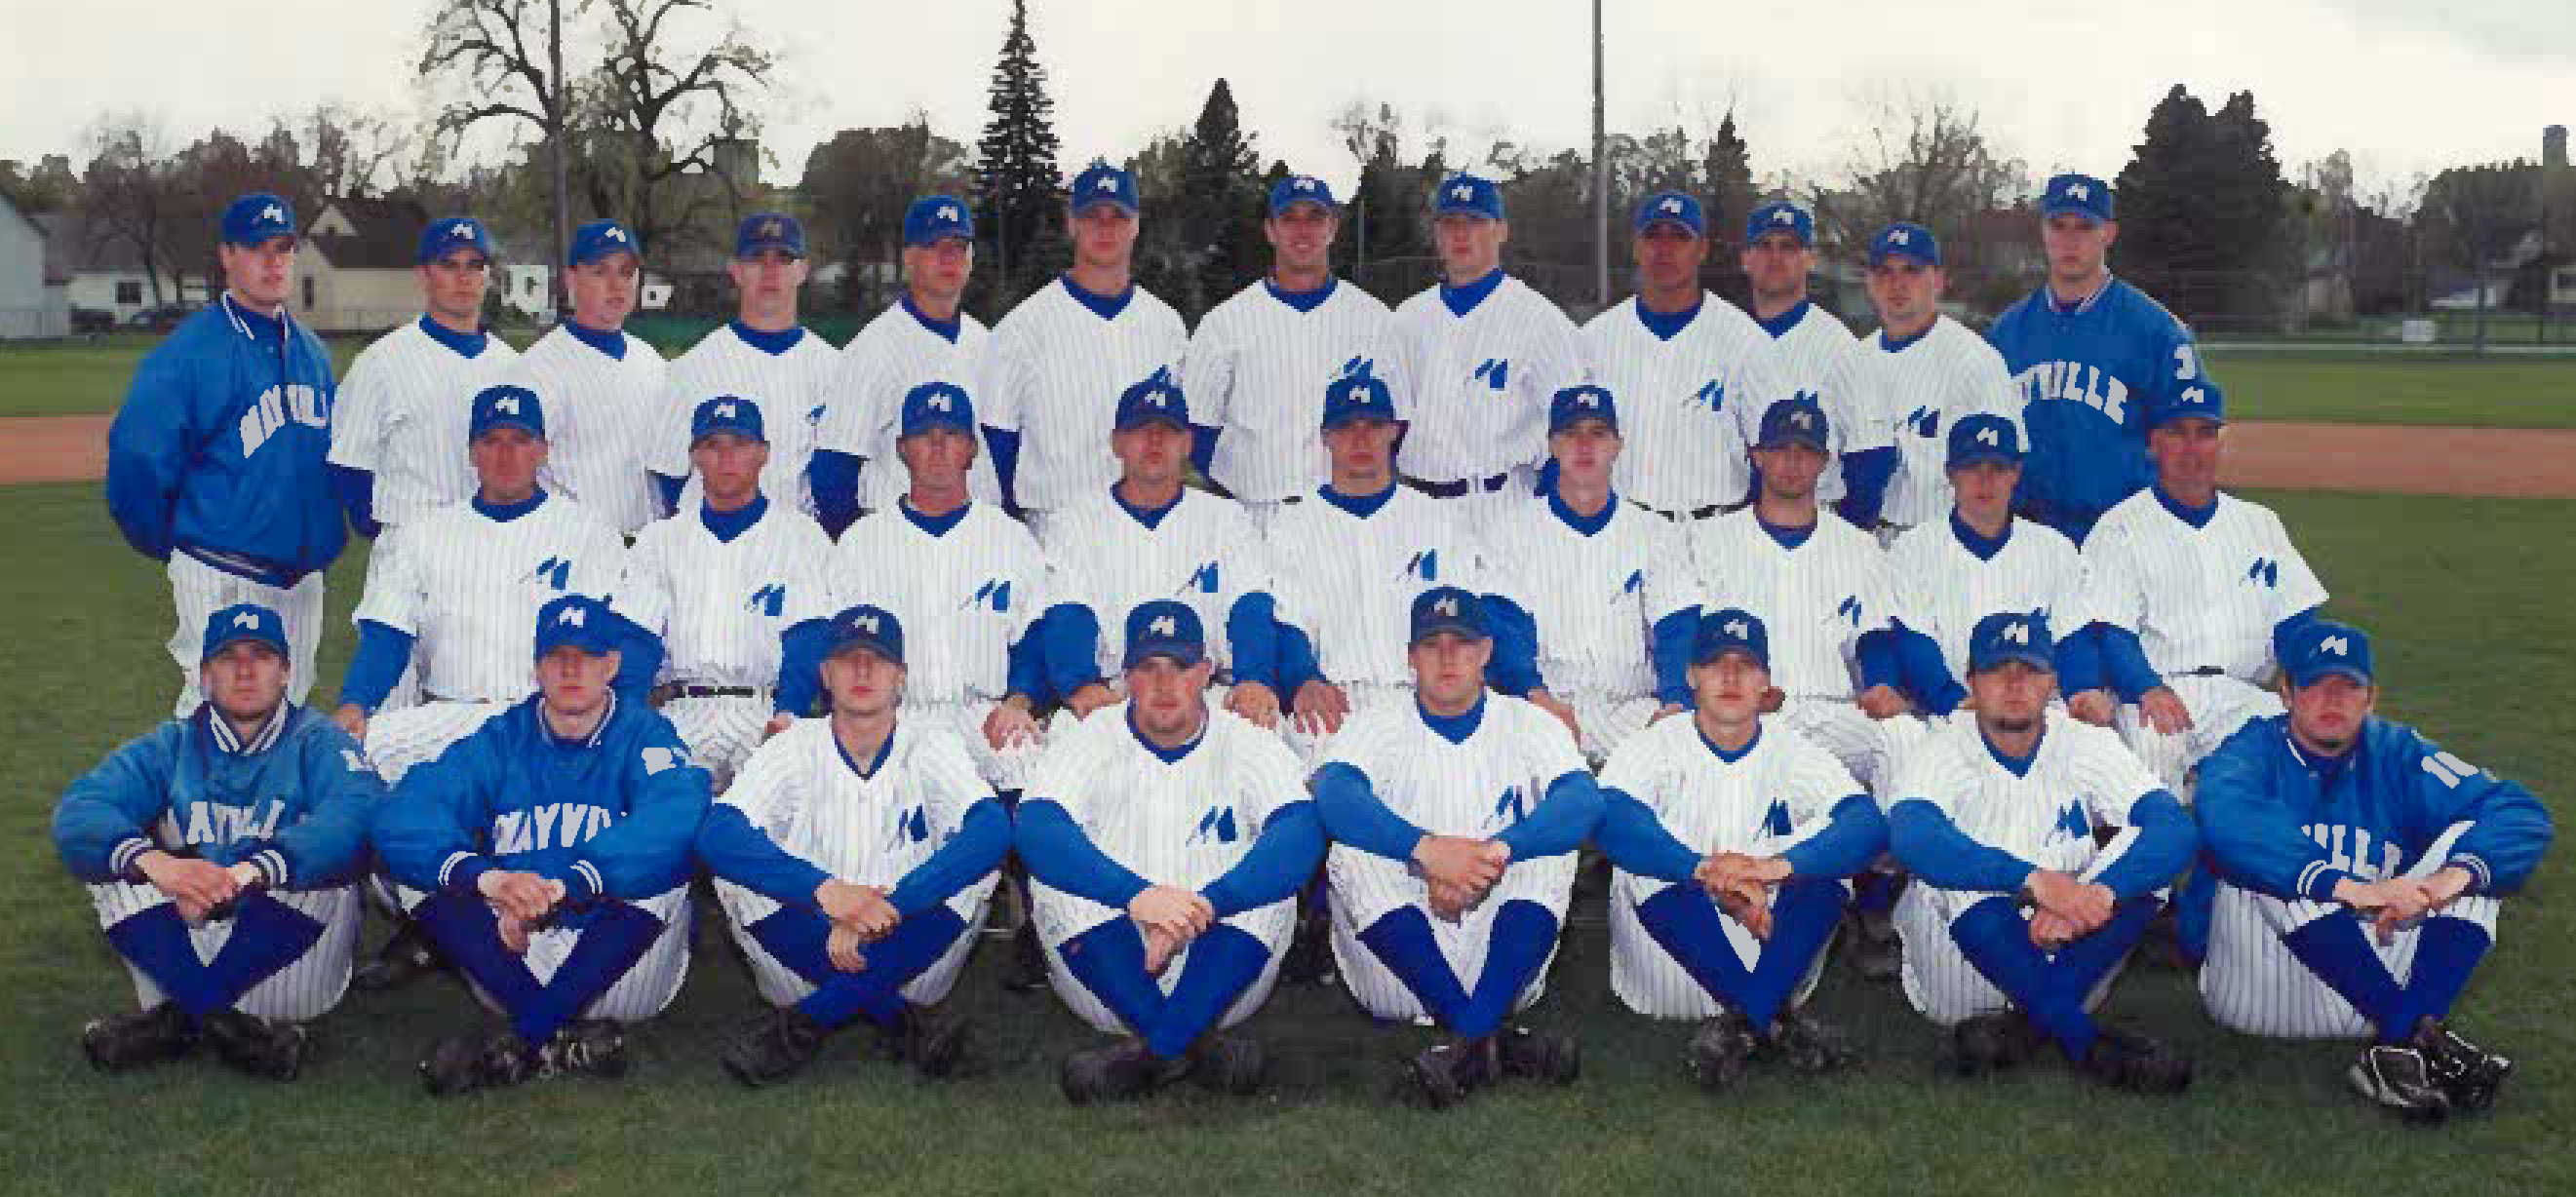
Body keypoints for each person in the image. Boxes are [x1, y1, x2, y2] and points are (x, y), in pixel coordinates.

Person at [331, 385, 631, 991]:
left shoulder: (588, 531)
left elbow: (613, 640)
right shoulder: (425, 532)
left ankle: (523, 917)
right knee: (348, 763)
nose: (506, 454)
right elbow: (388, 633)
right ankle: (421, 919)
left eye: (520, 441)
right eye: (492, 441)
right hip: (450, 711)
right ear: (471, 451)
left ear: (543, 449)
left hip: (544, 717)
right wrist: (355, 706)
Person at [2196, 621, 2553, 1119]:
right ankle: (2423, 1036)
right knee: (2281, 863)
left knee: (2472, 857)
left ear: (2372, 698)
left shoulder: (2398, 752)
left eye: (2348, 688)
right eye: (2315, 686)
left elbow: (2519, 811)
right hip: (2259, 990)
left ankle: (2399, 1043)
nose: (2332, 701)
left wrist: (2440, 884)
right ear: (2286, 693)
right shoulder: (2248, 751)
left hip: (2367, 987)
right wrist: (2346, 887)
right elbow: (2226, 819)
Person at [372, 594, 712, 1096]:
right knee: (418, 870)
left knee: (668, 863)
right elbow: (403, 814)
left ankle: (526, 1035)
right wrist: (490, 879)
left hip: (621, 965)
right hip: (514, 954)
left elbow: (678, 814)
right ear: (536, 668)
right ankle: (561, 1037)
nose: (571, 670)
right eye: (557, 657)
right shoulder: (501, 737)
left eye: (587, 657)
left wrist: (564, 886)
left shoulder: (646, 735)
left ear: (612, 665)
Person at [52, 604, 379, 1080]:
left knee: (319, 866)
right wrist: (158, 864)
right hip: (183, 947)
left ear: (286, 672)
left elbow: (359, 812)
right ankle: (228, 1027)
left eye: (262, 656)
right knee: (115, 862)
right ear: (206, 675)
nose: (245, 671)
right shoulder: (172, 744)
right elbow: (80, 810)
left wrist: (246, 872)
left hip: (286, 967)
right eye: (229, 658)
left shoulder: (319, 740)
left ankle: (178, 1020)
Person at [1016, 600, 1323, 1101]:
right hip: (1105, 977)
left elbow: (1300, 834)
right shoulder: (1092, 733)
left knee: (1271, 894)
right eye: (1148, 668)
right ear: (1126, 678)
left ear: (1205, 673)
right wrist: (1136, 896)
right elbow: (1036, 827)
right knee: (1055, 881)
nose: (1165, 684)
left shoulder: (1244, 738)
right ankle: (1197, 1045)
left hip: (1223, 971)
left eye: (1180, 667)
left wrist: (1206, 906)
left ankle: (1154, 1052)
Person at [1314, 586, 1606, 1108]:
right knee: (1349, 851)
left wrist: (1493, 855)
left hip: (1506, 959)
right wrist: (1426, 851)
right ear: (1411, 657)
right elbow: (1334, 795)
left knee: (1551, 849)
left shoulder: (1531, 722)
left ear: (1487, 651)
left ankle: (1467, 1042)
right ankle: (1491, 1037)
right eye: (1432, 644)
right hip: (1397, 969)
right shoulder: (1374, 723)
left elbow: (1582, 803)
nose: (1447, 657)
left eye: (1462, 643)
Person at [1885, 612, 2197, 1095]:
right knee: (1958, 877)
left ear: (2052, 682)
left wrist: (2093, 896)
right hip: (1960, 962)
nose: (2014, 684)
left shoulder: (2084, 743)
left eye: (2028, 671)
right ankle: (2086, 1042)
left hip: (2072, 943)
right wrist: (2036, 882)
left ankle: (2028, 1028)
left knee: (2144, 870)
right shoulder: (1941, 748)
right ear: (1971, 683)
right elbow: (1913, 838)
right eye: (1997, 671)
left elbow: (2172, 828)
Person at [697, 604, 1009, 1086]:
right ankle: (899, 1021)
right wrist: (827, 893)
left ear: (900, 678)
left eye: (878, 660)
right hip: (800, 956)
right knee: (736, 872)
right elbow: (718, 834)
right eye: (848, 659)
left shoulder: (932, 742)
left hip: (914, 956)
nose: (862, 671)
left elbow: (991, 830)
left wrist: (891, 908)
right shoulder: (792, 744)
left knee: (978, 867)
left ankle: (806, 1024)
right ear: (826, 674)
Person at [1595, 609, 1885, 1088]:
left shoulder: (1793, 748)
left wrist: (1772, 869)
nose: (1730, 677)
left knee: (1827, 860)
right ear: (1691, 675)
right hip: (1670, 967)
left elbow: (1866, 824)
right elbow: (1609, 819)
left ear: (1765, 682)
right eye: (1715, 663)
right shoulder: (1653, 744)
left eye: (1745, 665)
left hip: (1773, 947)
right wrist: (1706, 871)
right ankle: (1776, 1020)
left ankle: (1743, 1024)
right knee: (1642, 862)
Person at [107, 192, 343, 716]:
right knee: (212, 722)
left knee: (290, 722)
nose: (273, 261)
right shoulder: (189, 353)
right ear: (227, 256)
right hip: (221, 571)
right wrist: (175, 543)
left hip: (301, 581)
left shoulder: (312, 353)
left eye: (283, 248)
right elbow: (137, 459)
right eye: (258, 248)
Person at [820, 382, 1061, 792]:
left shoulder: (1012, 539)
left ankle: (1005, 856)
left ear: (972, 449)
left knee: (1033, 768)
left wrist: (1020, 700)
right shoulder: (861, 542)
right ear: (901, 449)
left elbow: (1035, 636)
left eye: (951, 435)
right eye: (924, 436)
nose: (937, 447)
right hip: (895, 714)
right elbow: (835, 647)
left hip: (986, 711)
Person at [1268, 372, 1503, 766]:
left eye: (1373, 426)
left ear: (1394, 432)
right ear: (1325, 437)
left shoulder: (1437, 518)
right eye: (1346, 427)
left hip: (1423, 694)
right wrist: (1302, 678)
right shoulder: (1291, 524)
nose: (1361, 440)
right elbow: (1287, 622)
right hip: (1333, 699)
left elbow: (1473, 616)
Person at [1034, 374, 1284, 729]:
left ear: (1187, 443)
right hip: (1113, 695)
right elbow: (1067, 612)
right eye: (1140, 430)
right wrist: (1081, 684)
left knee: (1264, 755)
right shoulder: (1075, 522)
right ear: (1117, 443)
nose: (1154, 441)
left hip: (1208, 693)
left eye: (1167, 430)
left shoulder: (1225, 518)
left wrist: (1255, 678)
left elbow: (1250, 605)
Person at [616, 397, 834, 791]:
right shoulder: (659, 540)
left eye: (740, 445)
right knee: (660, 803)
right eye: (714, 446)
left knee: (767, 817)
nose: (727, 458)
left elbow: (808, 636)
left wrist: (791, 713)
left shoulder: (801, 536)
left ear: (763, 454)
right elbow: (637, 641)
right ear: (694, 457)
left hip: (763, 710)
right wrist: (631, 718)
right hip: (679, 711)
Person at [1986, 174, 2216, 544]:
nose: (2069, 241)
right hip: (2027, 539)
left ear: (2108, 233)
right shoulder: (2007, 332)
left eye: (2084, 227)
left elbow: (2189, 439)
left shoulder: (2155, 330)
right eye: (2058, 226)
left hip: (2124, 537)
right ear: (2043, 232)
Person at [1479, 384, 1699, 765]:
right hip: (1543, 704)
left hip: (1634, 708)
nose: (1584, 446)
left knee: (1683, 753)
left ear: (1617, 445)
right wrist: (1534, 695)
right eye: (1571, 434)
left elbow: (1678, 628)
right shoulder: (1509, 533)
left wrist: (1676, 702)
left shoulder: (1657, 533)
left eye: (1597, 434)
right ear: (1552, 445)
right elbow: (1504, 629)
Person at [976, 161, 1191, 535]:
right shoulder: (1021, 328)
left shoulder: (1166, 325)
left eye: (1118, 217)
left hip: (1151, 532)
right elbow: (997, 449)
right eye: (1092, 216)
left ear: (1136, 225)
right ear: (1071, 223)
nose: (1105, 228)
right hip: (1057, 529)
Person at [1182, 173, 1400, 528]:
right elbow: (1197, 429)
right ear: (1270, 230)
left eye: (1315, 217)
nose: (1303, 231)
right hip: (1253, 516)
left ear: (1333, 227)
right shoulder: (1224, 323)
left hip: (1347, 516)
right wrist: (1239, 487)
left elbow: (1398, 424)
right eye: (1289, 218)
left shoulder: (1375, 320)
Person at [1386, 173, 1590, 528]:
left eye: (1476, 222)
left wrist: (1545, 516)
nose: (1461, 234)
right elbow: (1386, 428)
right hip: (1416, 510)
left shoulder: (1539, 319)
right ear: (1436, 235)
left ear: (1501, 231)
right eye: (1450, 223)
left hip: (1502, 508)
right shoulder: (1406, 319)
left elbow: (1576, 429)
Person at [1579, 191, 1775, 521]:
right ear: (1636, 247)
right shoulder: (1595, 338)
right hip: (1623, 527)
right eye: (1653, 236)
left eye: (1680, 237)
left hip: (1716, 529)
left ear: (1702, 250)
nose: (1665, 250)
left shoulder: (1745, 340)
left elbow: (1768, 455)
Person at [1879, 414, 2091, 718]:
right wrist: (1951, 701)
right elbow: (1914, 644)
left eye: (1997, 468)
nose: (1985, 480)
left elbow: (2074, 638)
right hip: (1948, 714)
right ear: (1950, 474)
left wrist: (2083, 689)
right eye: (1972, 468)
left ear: (2016, 472)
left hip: (2042, 714)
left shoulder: (2054, 548)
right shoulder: (1913, 550)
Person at [814, 196, 1002, 534]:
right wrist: (864, 551)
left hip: (978, 546)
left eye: (959, 247)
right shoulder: (871, 349)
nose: (949, 259)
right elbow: (833, 473)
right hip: (897, 546)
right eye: (935, 246)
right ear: (910, 258)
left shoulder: (986, 344)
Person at [328, 215, 521, 540]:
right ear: (424, 275)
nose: (464, 278)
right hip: (410, 552)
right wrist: (391, 534)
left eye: (474, 265)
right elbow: (349, 467)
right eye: (449, 265)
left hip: (492, 553)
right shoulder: (380, 362)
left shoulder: (512, 366)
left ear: (487, 275)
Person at [646, 212, 839, 519]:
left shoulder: (836, 370)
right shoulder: (693, 368)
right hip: (714, 553)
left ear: (802, 270)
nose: (769, 270)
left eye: (783, 258)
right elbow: (668, 479)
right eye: (756, 258)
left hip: (804, 552)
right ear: (735, 271)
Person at [1856, 222, 2026, 541]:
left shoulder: (1975, 360)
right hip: (1870, 540)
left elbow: (2009, 468)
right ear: (1869, 283)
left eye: (1911, 271)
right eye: (1885, 272)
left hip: (1946, 539)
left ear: (1938, 280)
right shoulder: (1854, 360)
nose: (1897, 284)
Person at [1732, 200, 1894, 528]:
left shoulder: (1840, 348)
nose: (1775, 258)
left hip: (1818, 522)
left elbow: (1872, 457)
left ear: (1810, 258)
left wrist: (1844, 539)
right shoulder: (1723, 340)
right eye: (1764, 246)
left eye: (1789, 247)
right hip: (1733, 529)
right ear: (1746, 259)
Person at [515, 219, 668, 536]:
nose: (617, 284)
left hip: (644, 551)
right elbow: (513, 475)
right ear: (571, 278)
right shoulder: (536, 369)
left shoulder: (650, 360)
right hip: (570, 551)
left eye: (626, 272)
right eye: (601, 271)